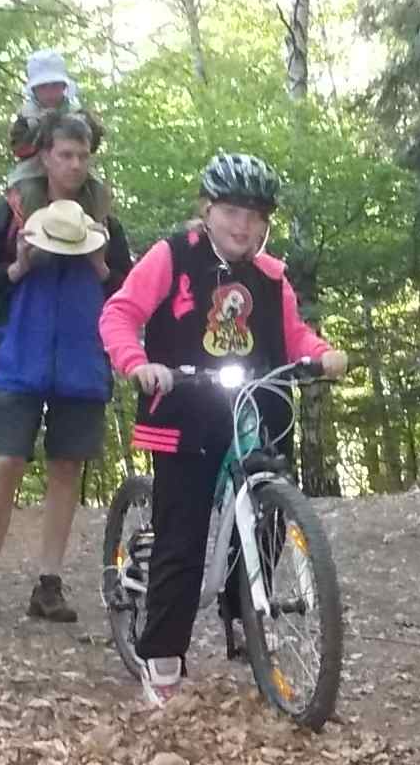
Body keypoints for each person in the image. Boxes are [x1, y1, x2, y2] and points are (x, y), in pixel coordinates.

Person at [98, 153, 348, 699]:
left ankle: (247, 618)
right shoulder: (173, 256)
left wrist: (321, 353)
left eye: (256, 216)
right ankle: (161, 653)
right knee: (182, 533)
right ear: (207, 209)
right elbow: (121, 313)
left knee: (269, 514)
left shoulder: (270, 276)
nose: (244, 226)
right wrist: (137, 363)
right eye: (232, 212)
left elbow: (294, 334)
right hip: (184, 406)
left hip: (255, 406)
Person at [0, 111, 134, 622]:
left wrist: (101, 267)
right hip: (18, 356)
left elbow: (129, 294)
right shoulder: (10, 212)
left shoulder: (105, 222)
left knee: (66, 468)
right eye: (65, 155)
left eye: (83, 156)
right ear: (44, 157)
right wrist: (17, 266)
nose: (75, 165)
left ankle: (49, 584)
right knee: (6, 463)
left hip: (83, 360)